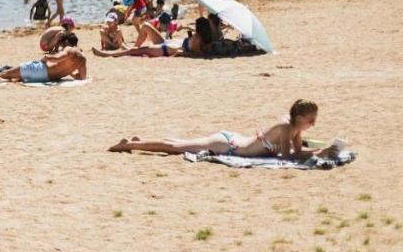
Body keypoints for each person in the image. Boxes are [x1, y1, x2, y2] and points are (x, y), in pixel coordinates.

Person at [108, 99, 335, 158]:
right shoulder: (287, 128)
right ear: (300, 117)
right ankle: (129, 144)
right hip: (228, 146)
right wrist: (319, 152)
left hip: (234, 140)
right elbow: (288, 158)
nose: (313, 124)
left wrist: (321, 150)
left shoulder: (296, 129)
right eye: (311, 120)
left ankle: (139, 139)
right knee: (177, 148)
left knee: (182, 143)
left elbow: (296, 153)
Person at [0, 36, 87, 83]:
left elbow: (57, 58)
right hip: (46, 78)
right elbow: (81, 77)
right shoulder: (82, 59)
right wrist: (68, 71)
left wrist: (45, 57)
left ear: (67, 42)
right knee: (12, 75)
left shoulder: (69, 49)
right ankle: (4, 80)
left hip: (39, 70)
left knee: (3, 73)